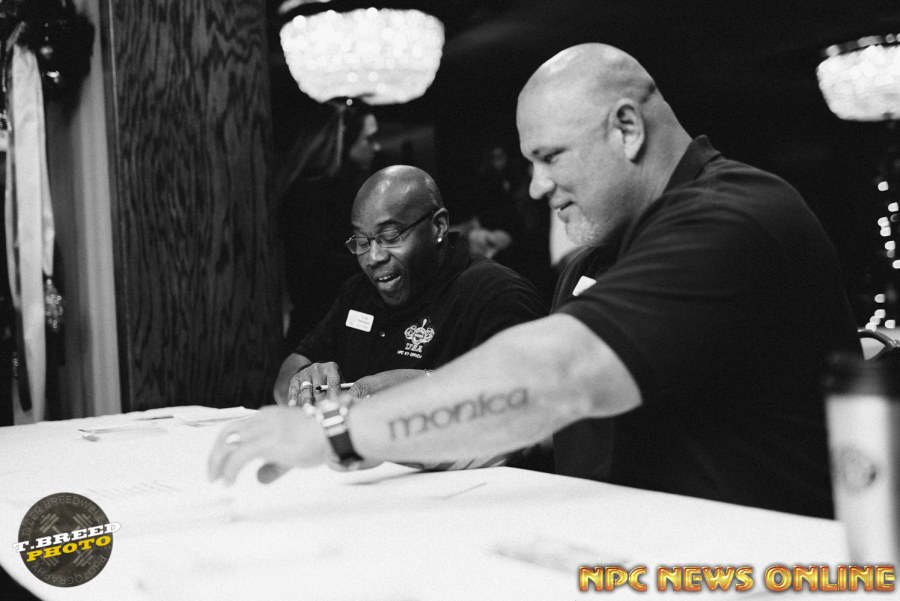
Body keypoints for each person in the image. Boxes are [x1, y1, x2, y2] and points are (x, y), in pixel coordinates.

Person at [209, 44, 860, 518]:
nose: (537, 187)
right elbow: (577, 414)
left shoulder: (733, 215)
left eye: (550, 158)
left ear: (627, 128)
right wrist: (484, 432)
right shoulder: (594, 256)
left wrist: (337, 430)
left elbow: (565, 371)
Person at [272, 164, 547, 468]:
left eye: (390, 236)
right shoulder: (358, 292)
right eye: (361, 242)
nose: (373, 257)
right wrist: (304, 383)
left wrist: (415, 393)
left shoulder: (496, 294)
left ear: (438, 226)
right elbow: (290, 369)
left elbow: (527, 412)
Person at [278, 99, 381, 351]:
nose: (376, 147)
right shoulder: (316, 192)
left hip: (329, 321)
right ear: (345, 140)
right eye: (368, 139)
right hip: (324, 325)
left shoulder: (327, 188)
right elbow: (320, 262)